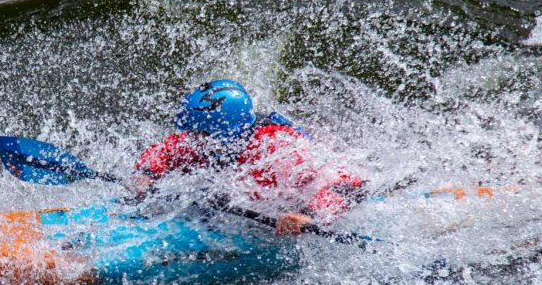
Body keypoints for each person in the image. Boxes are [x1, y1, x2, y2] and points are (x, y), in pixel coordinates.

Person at [125, 80, 365, 235]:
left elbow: (349, 184)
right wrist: (146, 174)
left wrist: (308, 216)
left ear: (225, 132)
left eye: (199, 133)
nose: (190, 139)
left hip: (294, 210)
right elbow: (165, 150)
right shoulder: (208, 139)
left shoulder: (277, 149)